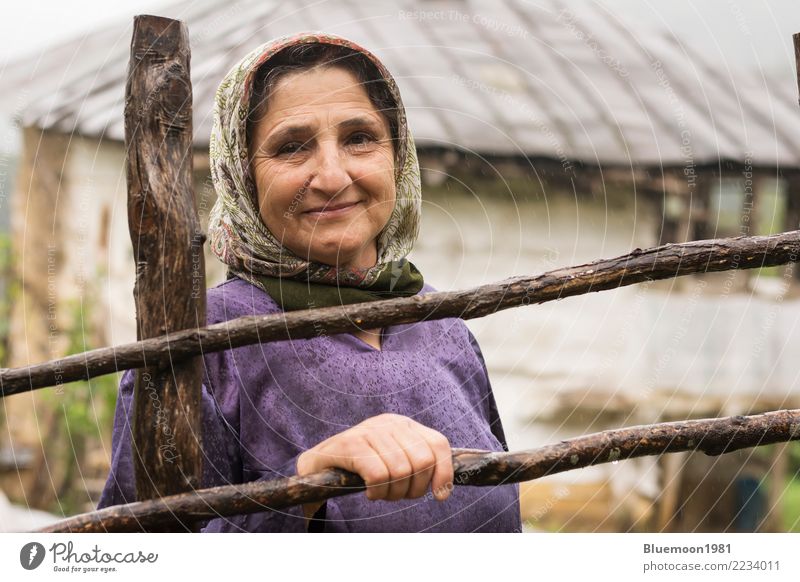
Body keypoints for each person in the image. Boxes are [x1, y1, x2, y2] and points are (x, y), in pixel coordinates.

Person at [98, 31, 521, 533]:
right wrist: (303, 487)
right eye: (292, 147)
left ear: (397, 156)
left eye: (359, 138)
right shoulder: (201, 343)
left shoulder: (439, 322)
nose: (332, 175)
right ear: (242, 176)